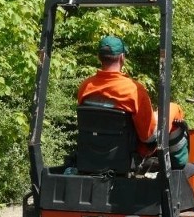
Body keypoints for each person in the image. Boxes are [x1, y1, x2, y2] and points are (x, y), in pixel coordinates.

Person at [77, 35, 188, 168]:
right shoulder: (133, 90)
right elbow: (148, 137)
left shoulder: (85, 87)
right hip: (127, 156)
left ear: (99, 57)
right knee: (173, 108)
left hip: (93, 153)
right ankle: (178, 165)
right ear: (122, 57)